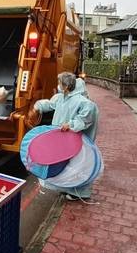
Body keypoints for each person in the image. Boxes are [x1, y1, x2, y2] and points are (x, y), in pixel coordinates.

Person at [31, 72, 100, 201]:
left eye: (59, 83)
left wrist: (70, 125)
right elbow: (50, 104)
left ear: (67, 86)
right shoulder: (62, 97)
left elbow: (85, 118)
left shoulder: (83, 102)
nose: (58, 85)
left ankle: (80, 192)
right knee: (66, 165)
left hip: (75, 140)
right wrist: (38, 106)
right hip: (63, 139)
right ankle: (67, 188)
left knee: (78, 165)